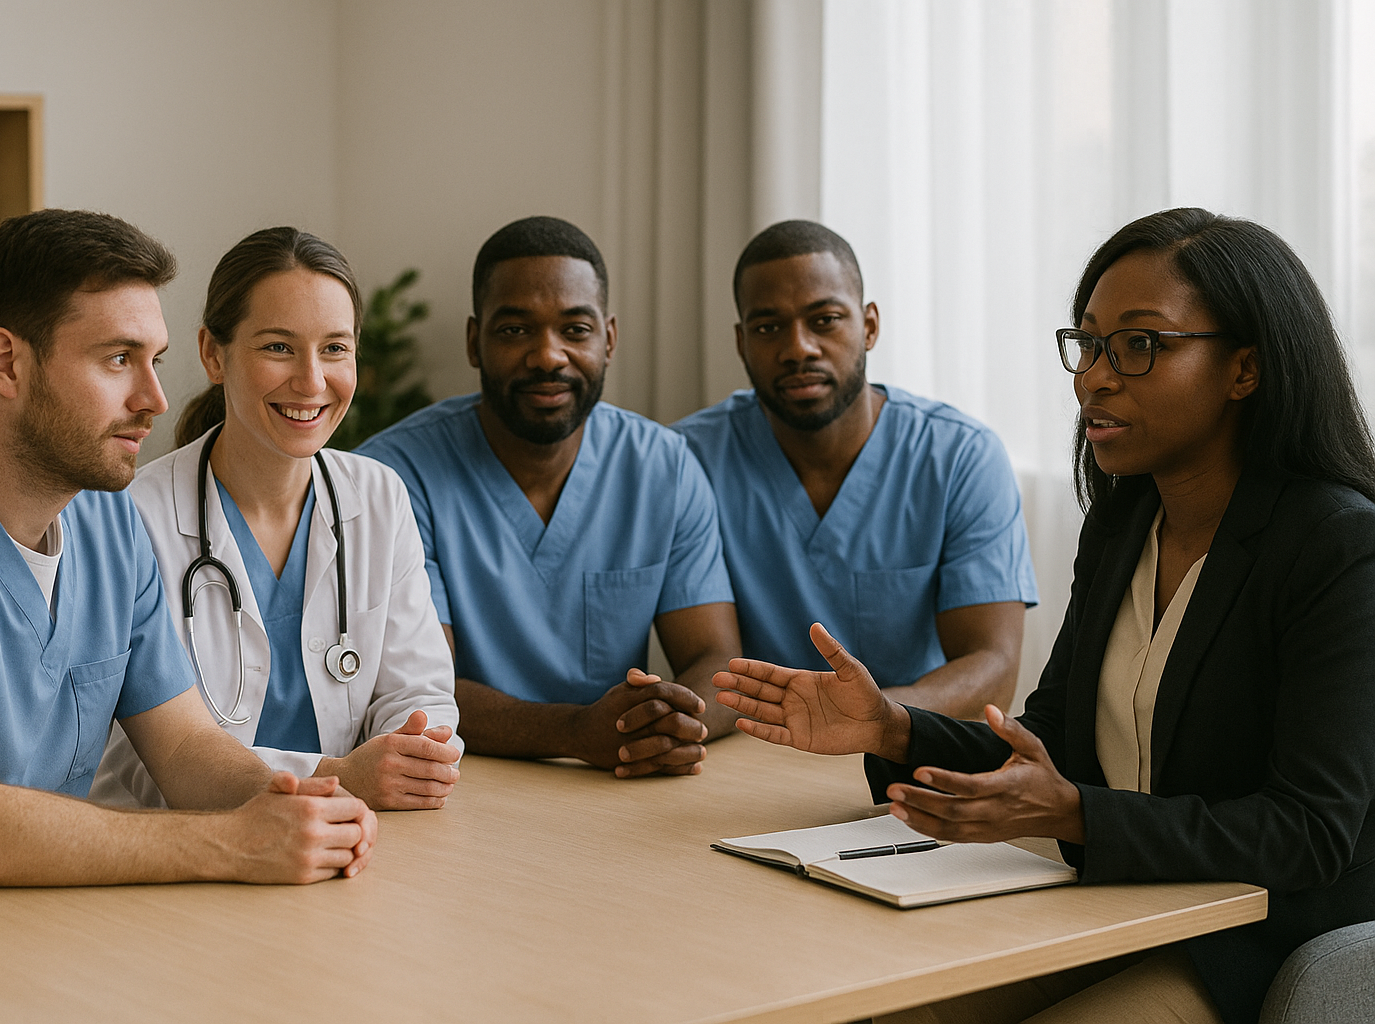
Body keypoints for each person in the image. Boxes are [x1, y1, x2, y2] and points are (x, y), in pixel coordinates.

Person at [714, 208, 1375, 1024]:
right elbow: (1054, 736)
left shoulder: (1338, 546)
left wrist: (1073, 814)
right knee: (864, 1007)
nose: (1092, 378)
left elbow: (1310, 831)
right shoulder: (1125, 524)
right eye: (1088, 343)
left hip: (1254, 937)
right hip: (1111, 905)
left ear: (1245, 368)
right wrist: (889, 727)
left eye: (1140, 346)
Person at [0, 209, 376, 883]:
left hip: (41, 919)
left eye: (155, 361)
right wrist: (234, 845)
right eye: (118, 359)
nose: (154, 398)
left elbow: (184, 745)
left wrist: (292, 806)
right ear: (7, 362)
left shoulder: (110, 524)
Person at [93, 227, 461, 812]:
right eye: (278, 347)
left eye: (335, 348)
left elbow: (420, 689)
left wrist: (413, 748)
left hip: (349, 833)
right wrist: (337, 775)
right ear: (214, 354)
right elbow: (140, 756)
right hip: (183, 854)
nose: (312, 381)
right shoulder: (133, 516)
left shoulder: (378, 496)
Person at [359, 216, 741, 777]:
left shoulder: (663, 467)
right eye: (515, 330)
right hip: (458, 779)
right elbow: (417, 687)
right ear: (474, 340)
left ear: (608, 338)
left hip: (615, 785)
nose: (547, 356)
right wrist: (575, 732)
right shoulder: (397, 474)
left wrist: (670, 723)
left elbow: (715, 657)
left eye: (575, 330)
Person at [675, 220, 1037, 719]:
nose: (798, 347)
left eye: (824, 320)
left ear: (869, 326)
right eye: (768, 327)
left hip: (910, 744)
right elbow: (705, 661)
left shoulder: (960, 457)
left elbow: (991, 664)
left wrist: (863, 721)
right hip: (745, 748)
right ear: (741, 343)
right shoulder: (687, 460)